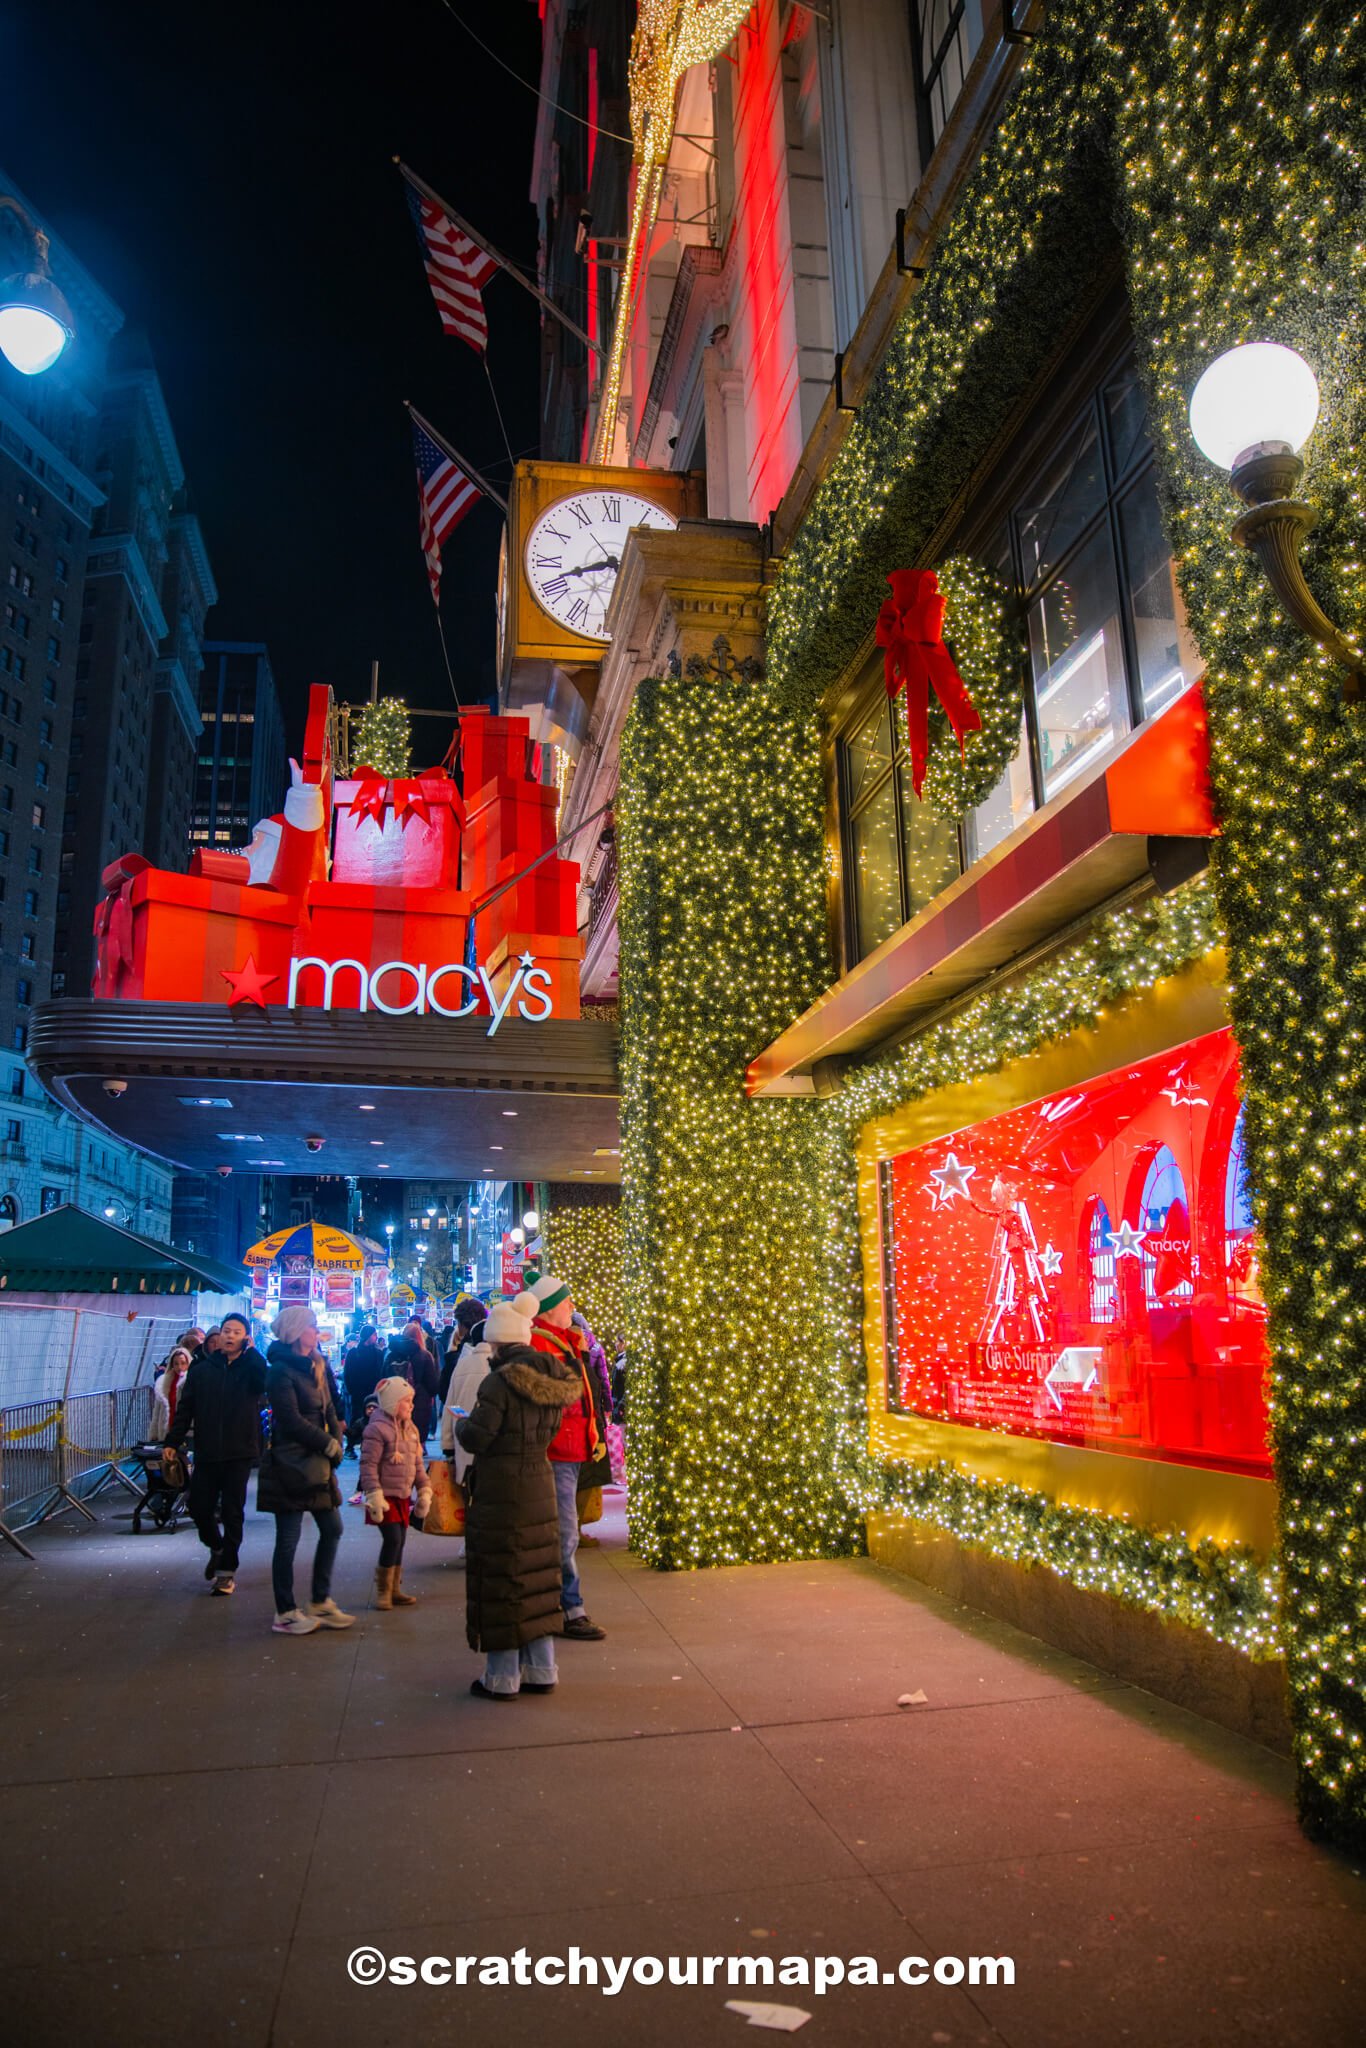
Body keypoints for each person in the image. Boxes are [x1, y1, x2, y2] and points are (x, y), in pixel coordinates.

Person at [455, 1300, 582, 1699]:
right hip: (539, 1482)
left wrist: (462, 1425)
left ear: (498, 1342)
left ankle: (502, 1676)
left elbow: (479, 1437)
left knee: (503, 1577)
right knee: (537, 1577)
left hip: (502, 1487)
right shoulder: (551, 1378)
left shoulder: (498, 1383)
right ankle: (542, 1669)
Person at [258, 1304, 354, 1635]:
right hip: (291, 1463)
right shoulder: (280, 1371)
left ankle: (320, 1599)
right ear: (297, 1331)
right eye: (312, 1325)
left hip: (318, 1463)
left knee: (332, 1528)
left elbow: (329, 1408)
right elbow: (289, 1419)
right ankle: (285, 1610)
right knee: (288, 1538)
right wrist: (326, 1443)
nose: (317, 1331)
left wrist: (335, 1440)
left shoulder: (318, 1364)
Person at [526, 1271, 610, 1641]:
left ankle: (560, 1606)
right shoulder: (543, 1345)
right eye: (566, 1302)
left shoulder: (563, 1342)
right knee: (563, 1533)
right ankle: (569, 1609)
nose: (572, 1307)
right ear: (549, 1309)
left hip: (569, 1449)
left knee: (563, 1532)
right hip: (558, 1450)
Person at [164, 1311, 268, 1597]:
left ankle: (226, 1571)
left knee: (233, 1512)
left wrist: (252, 1353)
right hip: (207, 1450)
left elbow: (264, 1383)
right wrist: (172, 1441)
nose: (230, 1335)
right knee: (199, 1506)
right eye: (226, 1331)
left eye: (236, 1332)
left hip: (239, 1452)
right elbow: (186, 1408)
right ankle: (217, 1546)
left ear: (245, 1337)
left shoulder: (251, 1367)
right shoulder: (202, 1370)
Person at [360, 1377, 431, 1609]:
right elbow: (368, 1465)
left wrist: (424, 1488)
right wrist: (373, 1493)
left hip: (402, 1495)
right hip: (384, 1496)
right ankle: (383, 1590)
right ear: (393, 1403)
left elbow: (417, 1464)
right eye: (406, 1401)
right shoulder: (377, 1429)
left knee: (400, 1540)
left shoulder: (410, 1429)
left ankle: (394, 1589)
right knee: (393, 1539)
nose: (411, 1405)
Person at [387, 1318, 440, 1441]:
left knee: (399, 1437)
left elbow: (384, 1377)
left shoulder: (391, 1355)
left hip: (397, 1401)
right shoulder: (425, 1355)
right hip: (420, 1403)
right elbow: (432, 1384)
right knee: (417, 1438)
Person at [343, 1324, 386, 1454]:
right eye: (374, 1334)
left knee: (372, 1420)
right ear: (368, 1336)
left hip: (373, 1393)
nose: (376, 1337)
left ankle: (367, 1446)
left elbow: (381, 1373)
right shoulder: (353, 1353)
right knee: (356, 1419)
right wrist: (352, 1390)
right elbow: (347, 1374)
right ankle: (350, 1447)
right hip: (358, 1393)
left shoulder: (378, 1353)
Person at [439, 1297, 488, 1405]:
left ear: (461, 1325)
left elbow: (445, 1394)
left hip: (463, 1412)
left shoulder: (457, 1358)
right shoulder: (496, 1352)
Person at [149, 1346, 193, 1442]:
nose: (179, 1367)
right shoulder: (163, 1383)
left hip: (185, 1433)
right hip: (166, 1431)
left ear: (188, 1363)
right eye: (176, 1364)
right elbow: (157, 1411)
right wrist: (154, 1433)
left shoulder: (192, 1382)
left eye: (183, 1363)